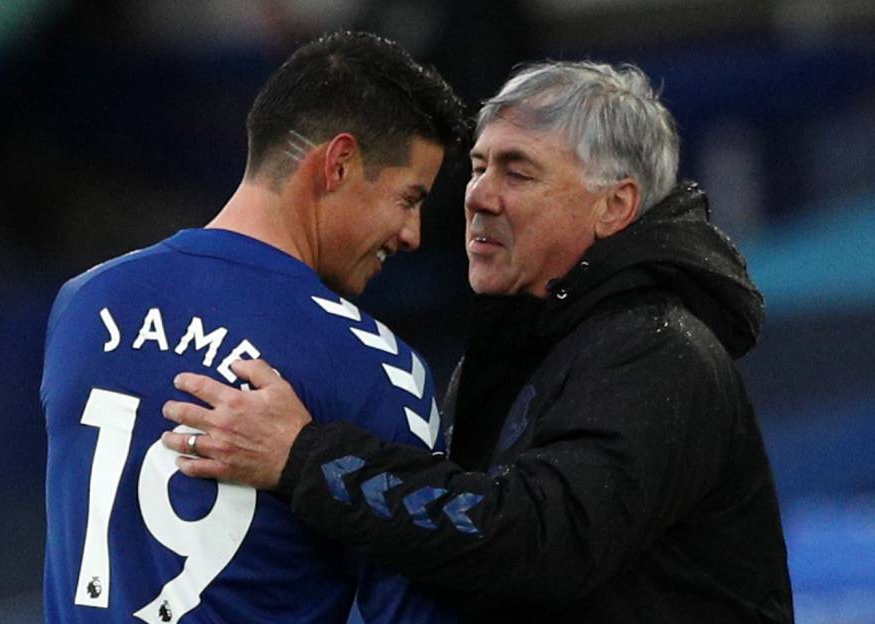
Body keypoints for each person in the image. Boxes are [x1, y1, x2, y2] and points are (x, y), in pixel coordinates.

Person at [163, 61, 794, 622]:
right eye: (478, 166)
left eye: (517, 173)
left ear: (614, 206)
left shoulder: (658, 349)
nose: (478, 196)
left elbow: (542, 539)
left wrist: (304, 457)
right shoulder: (527, 343)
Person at [41, 31, 470, 623]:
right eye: (408, 198)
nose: (413, 234)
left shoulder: (84, 302)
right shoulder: (376, 369)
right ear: (339, 163)